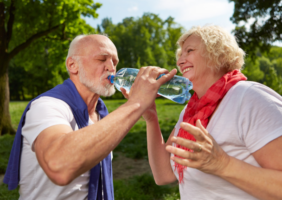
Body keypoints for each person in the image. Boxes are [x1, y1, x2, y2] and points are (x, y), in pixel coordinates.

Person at [4, 34, 177, 200]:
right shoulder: (47, 106)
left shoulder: (101, 113)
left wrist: (148, 113)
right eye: (102, 59)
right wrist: (137, 103)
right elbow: (58, 166)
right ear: (73, 65)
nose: (111, 67)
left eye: (114, 61)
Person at [142, 25, 282, 199]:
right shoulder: (191, 111)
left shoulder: (249, 98)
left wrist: (224, 165)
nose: (180, 61)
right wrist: (151, 117)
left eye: (189, 51)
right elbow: (164, 175)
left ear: (219, 54)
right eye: (180, 55)